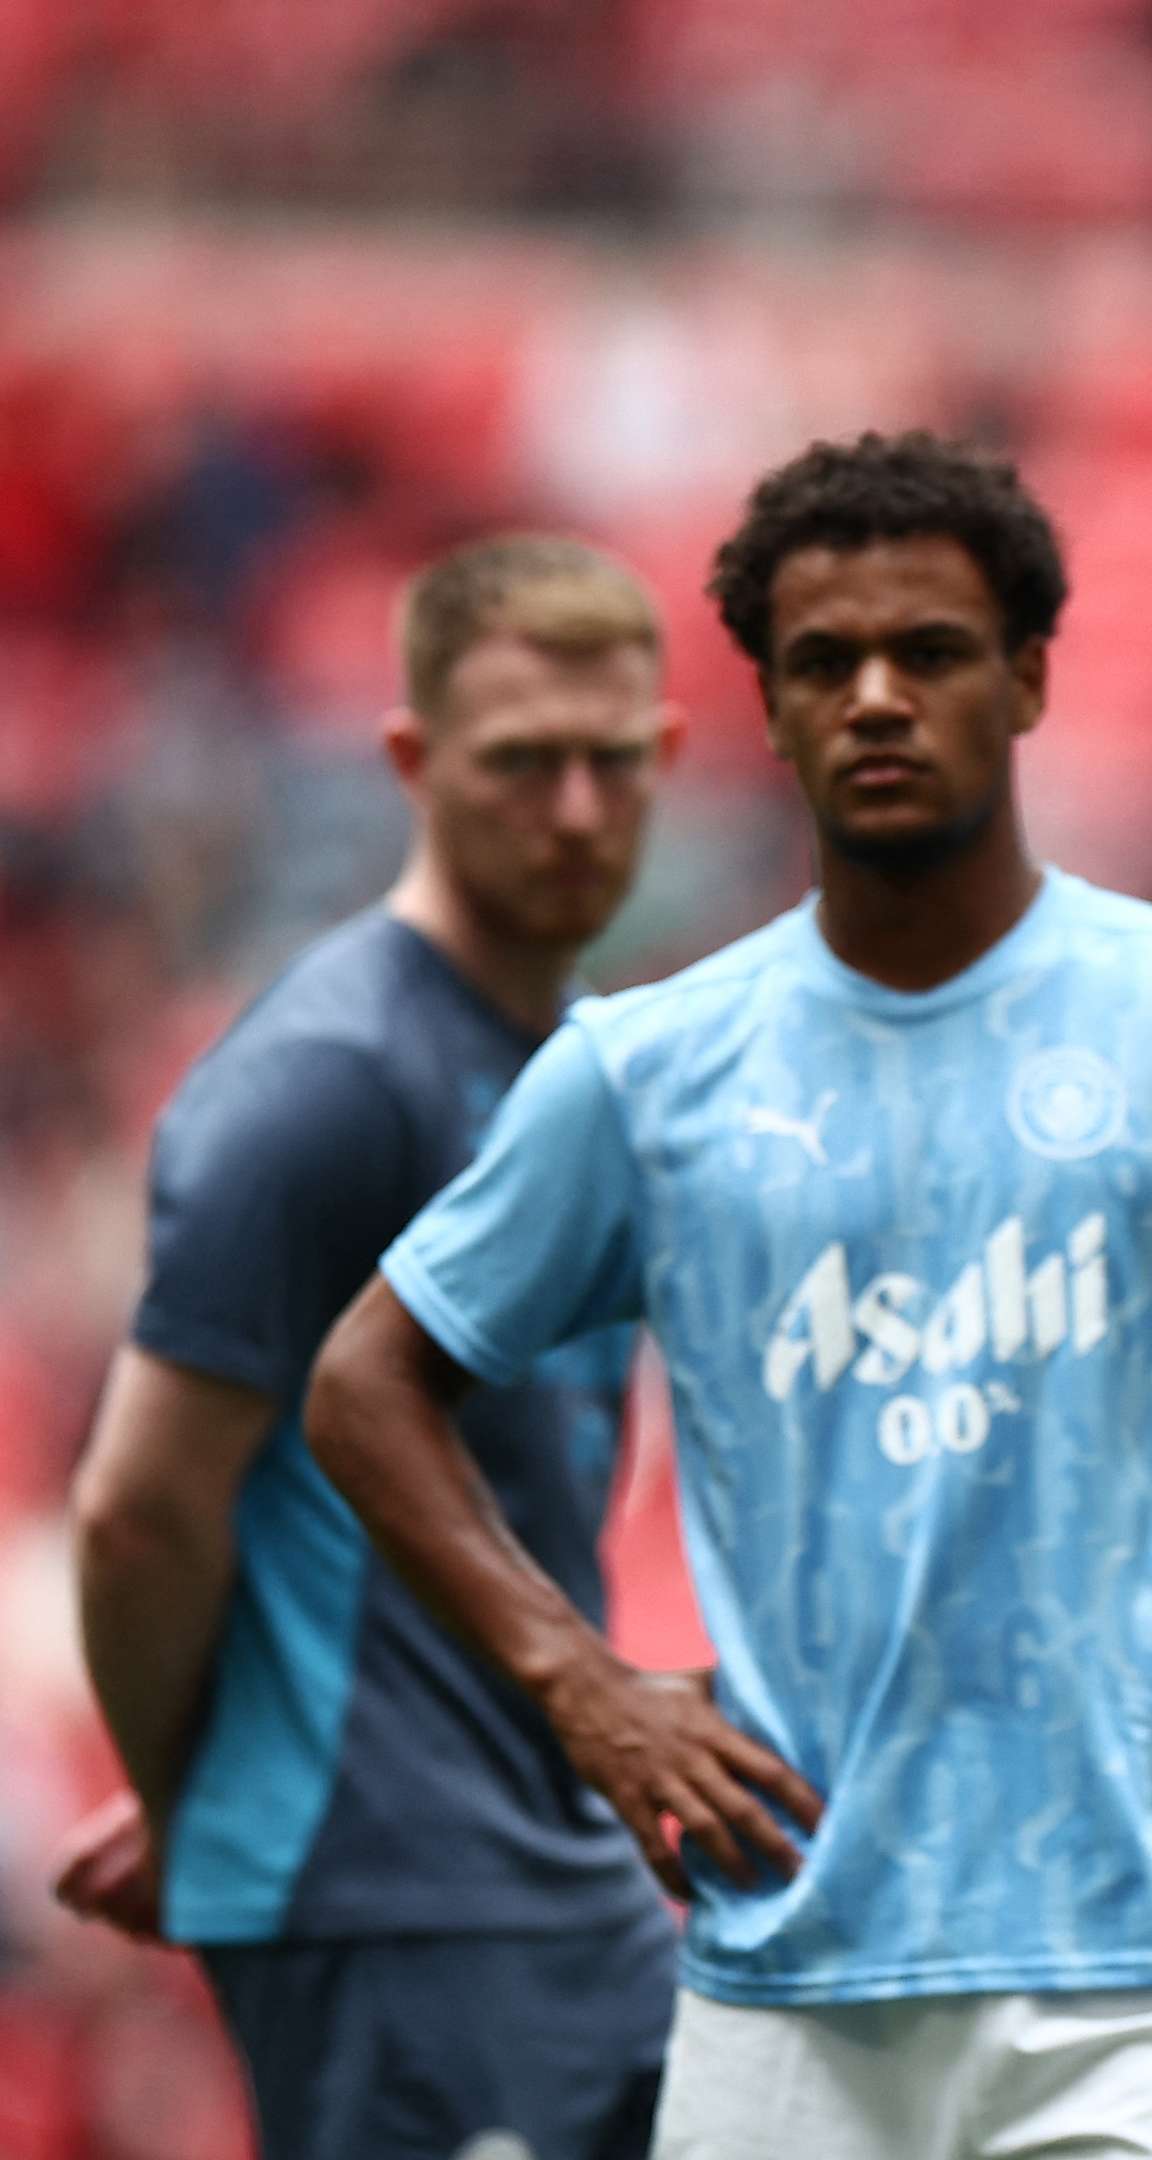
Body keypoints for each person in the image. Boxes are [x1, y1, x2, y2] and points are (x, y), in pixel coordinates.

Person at [299, 431, 1152, 2158]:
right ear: (769, 711)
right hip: (783, 1984)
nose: (875, 697)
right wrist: (579, 1684)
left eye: (928, 653)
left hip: (1122, 1977)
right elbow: (366, 1383)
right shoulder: (647, 1075)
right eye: (821, 664)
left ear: (1025, 681)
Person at [60, 534, 686, 2160]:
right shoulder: (325, 1079)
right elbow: (142, 1504)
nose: (571, 809)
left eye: (610, 764)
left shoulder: (570, 1068)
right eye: (519, 765)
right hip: (396, 1897)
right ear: (412, 766)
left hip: (549, 1869)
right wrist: (207, 1791)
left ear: (668, 761)